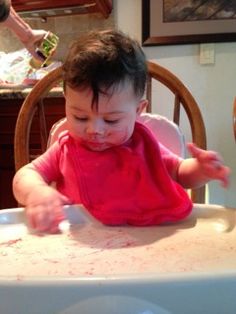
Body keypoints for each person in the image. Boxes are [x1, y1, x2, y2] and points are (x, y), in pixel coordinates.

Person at [13, 29, 230, 233]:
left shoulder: (144, 145)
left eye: (111, 120)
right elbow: (26, 174)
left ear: (138, 111)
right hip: (80, 247)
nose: (94, 129)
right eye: (80, 117)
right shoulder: (65, 148)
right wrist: (36, 192)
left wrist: (202, 170)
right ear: (66, 102)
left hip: (145, 245)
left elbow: (179, 173)